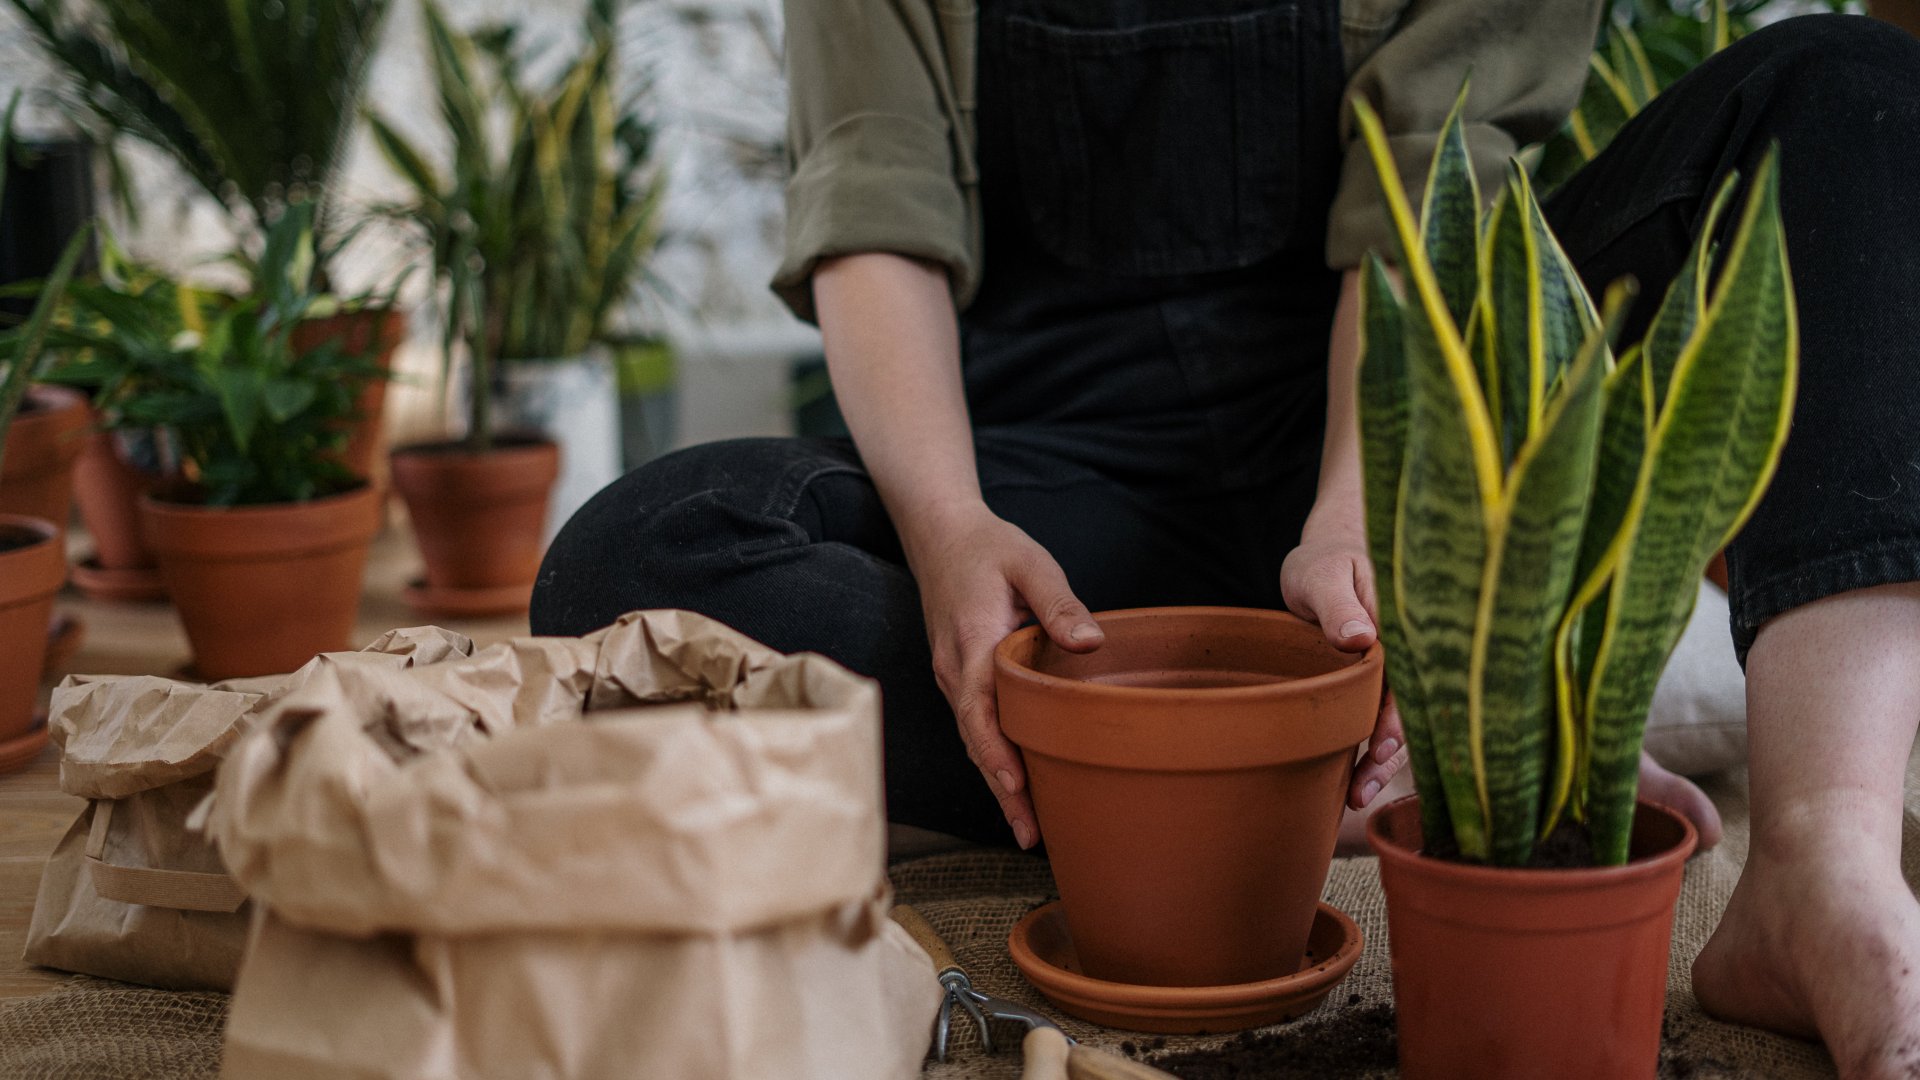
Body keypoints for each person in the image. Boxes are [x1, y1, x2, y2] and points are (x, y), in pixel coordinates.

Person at [532, 2, 1920, 1073]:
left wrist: (1363, 514)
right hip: (1047, 509)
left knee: (1844, 89)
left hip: (1411, 424)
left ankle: (1819, 864)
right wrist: (952, 531)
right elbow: (874, 201)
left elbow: (1439, 181)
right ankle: (1264, 761)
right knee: (631, 561)